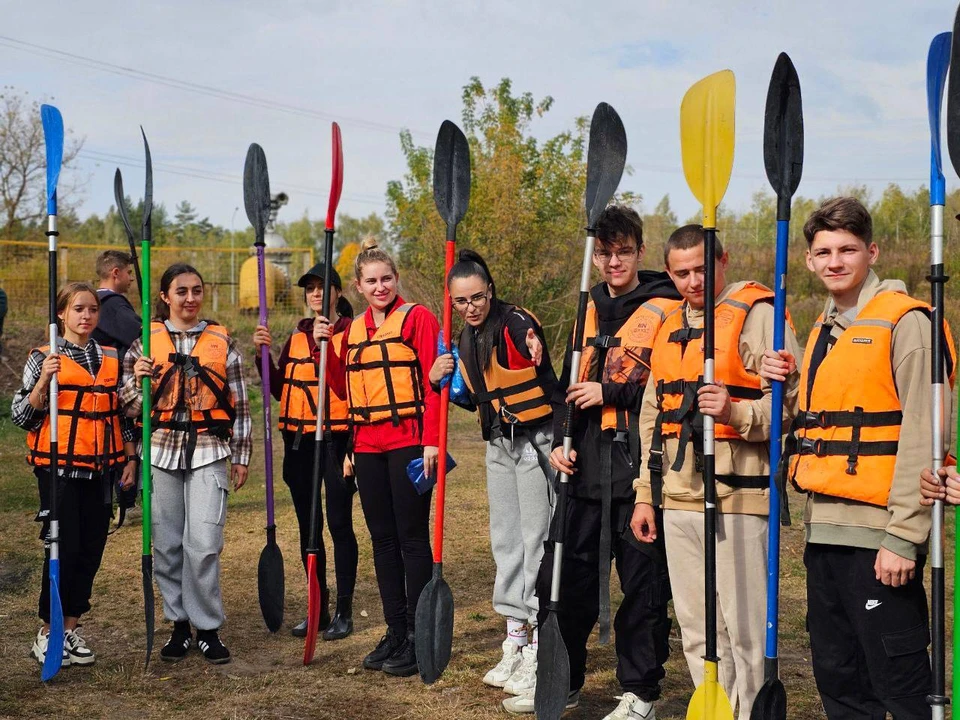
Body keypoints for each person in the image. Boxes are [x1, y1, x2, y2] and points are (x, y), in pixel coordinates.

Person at [761, 197, 953, 719]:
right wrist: (787, 382)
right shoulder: (824, 329)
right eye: (823, 251)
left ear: (873, 252)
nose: (835, 261)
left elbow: (924, 434)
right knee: (839, 679)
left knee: (901, 683)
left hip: (879, 540)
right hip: (822, 535)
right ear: (808, 260)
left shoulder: (908, 322)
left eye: (847, 249)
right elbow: (820, 420)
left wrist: (903, 537)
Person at [632, 224, 801, 720]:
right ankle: (718, 709)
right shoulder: (669, 324)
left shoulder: (759, 317)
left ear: (723, 261)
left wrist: (734, 414)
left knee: (744, 626)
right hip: (678, 495)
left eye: (701, 269)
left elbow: (788, 407)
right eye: (681, 273)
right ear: (668, 273)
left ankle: (750, 711)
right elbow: (651, 415)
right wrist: (645, 491)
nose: (692, 282)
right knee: (697, 627)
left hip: (738, 495)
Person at [523, 205, 681, 719]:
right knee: (565, 577)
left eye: (624, 252)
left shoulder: (667, 304)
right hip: (584, 468)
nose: (614, 262)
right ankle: (562, 682)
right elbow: (571, 387)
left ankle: (641, 694)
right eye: (606, 253)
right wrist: (562, 441)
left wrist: (609, 390)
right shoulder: (585, 305)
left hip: (638, 467)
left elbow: (669, 387)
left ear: (639, 252)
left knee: (642, 585)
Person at [428, 250, 557, 703]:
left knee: (535, 540)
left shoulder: (514, 321)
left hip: (536, 444)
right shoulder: (465, 339)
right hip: (499, 446)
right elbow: (477, 398)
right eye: (460, 302)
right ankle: (515, 638)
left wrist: (531, 342)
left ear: (490, 291)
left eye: (477, 298)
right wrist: (437, 378)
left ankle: (542, 645)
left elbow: (526, 336)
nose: (470, 308)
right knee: (505, 540)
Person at [120, 263, 251, 665]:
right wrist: (137, 382)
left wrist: (242, 455)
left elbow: (241, 404)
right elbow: (126, 408)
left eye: (196, 290)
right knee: (168, 544)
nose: (190, 298)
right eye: (181, 291)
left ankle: (207, 628)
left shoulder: (222, 341)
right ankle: (178, 625)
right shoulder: (143, 343)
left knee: (205, 544)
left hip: (210, 449)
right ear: (165, 297)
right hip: (159, 451)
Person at [327, 237, 440, 678]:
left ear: (397, 280)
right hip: (367, 446)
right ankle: (395, 628)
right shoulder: (350, 330)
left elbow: (436, 384)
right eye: (371, 281)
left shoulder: (418, 319)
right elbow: (342, 387)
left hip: (410, 442)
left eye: (386, 279)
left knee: (411, 536)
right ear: (358, 285)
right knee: (381, 538)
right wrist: (326, 347)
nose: (380, 287)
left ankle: (416, 632)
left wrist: (433, 442)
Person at [12, 282, 137, 666]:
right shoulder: (43, 356)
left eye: (92, 310)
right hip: (60, 471)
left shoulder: (111, 357)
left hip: (102, 470)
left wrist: (131, 458)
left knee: (90, 551)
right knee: (63, 549)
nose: (86, 316)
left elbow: (121, 416)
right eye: (78, 309)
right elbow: (22, 416)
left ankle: (69, 629)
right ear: (62, 314)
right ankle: (47, 633)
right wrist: (41, 385)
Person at [253, 262, 359, 640]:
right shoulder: (297, 336)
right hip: (299, 444)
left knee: (339, 525)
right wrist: (263, 356)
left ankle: (345, 610)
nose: (315, 293)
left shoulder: (352, 332)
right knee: (308, 528)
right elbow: (281, 388)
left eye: (323, 287)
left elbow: (354, 387)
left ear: (338, 293)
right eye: (310, 288)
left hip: (337, 441)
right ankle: (319, 605)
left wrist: (322, 346)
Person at [91, 250, 143, 523]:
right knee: (127, 438)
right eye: (129, 272)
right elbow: (141, 334)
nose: (131, 278)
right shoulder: (113, 305)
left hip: (101, 381)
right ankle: (126, 500)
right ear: (116, 273)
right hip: (115, 382)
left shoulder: (94, 302)